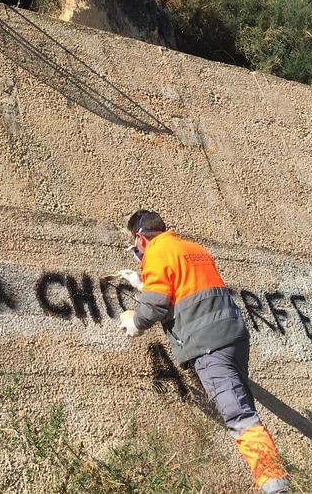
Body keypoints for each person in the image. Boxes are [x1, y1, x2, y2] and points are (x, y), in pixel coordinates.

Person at [118, 210, 289, 494]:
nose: (136, 252)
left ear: (140, 238)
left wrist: (135, 323)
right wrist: (144, 283)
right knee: (244, 410)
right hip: (234, 338)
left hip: (209, 346)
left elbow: (156, 305)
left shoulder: (158, 252)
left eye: (134, 246)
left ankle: (275, 487)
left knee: (240, 417)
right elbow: (185, 290)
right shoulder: (193, 249)